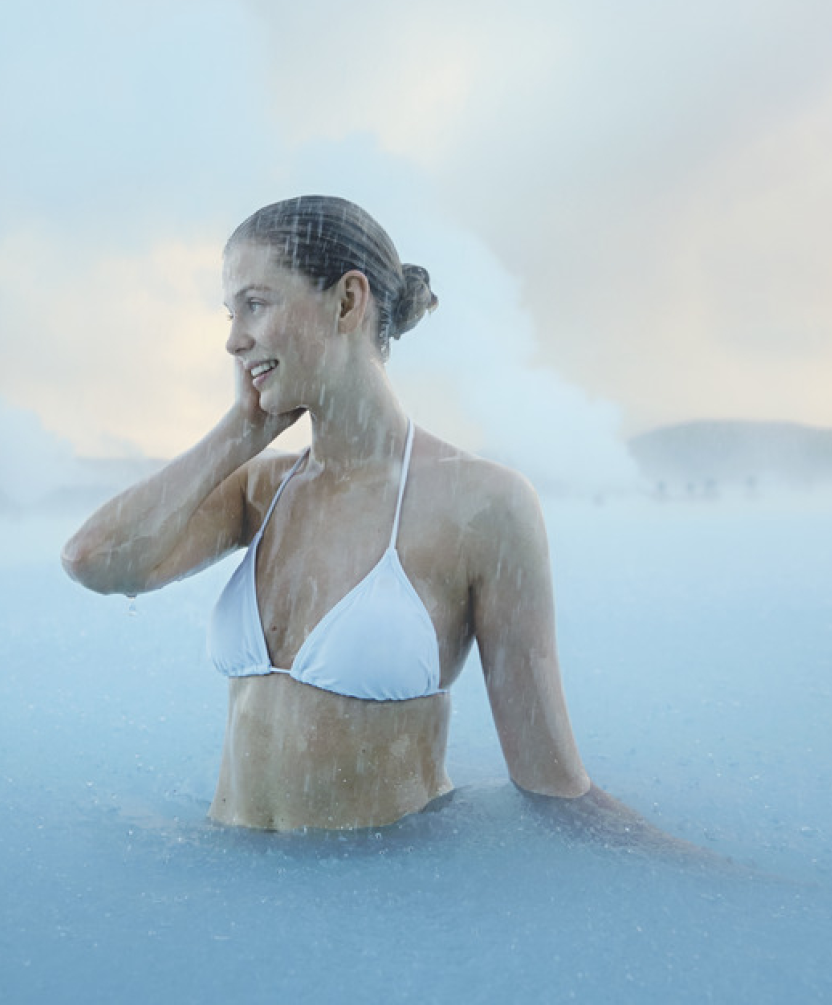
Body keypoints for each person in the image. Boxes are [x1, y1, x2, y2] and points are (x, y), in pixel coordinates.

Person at [60, 196, 676, 841]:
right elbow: (95, 563)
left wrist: (713, 883)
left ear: (348, 302)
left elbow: (552, 785)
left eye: (256, 304)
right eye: (230, 311)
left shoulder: (482, 504)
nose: (233, 339)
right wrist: (240, 432)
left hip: (384, 904)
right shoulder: (258, 491)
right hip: (239, 897)